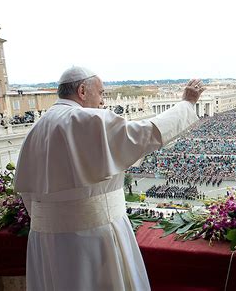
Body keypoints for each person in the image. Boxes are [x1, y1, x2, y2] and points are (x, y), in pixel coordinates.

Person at [14, 66, 205, 290]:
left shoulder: (36, 129)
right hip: (92, 239)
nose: (103, 102)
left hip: (46, 242)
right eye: (102, 93)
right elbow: (146, 134)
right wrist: (186, 104)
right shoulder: (87, 120)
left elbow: (28, 195)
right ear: (83, 91)